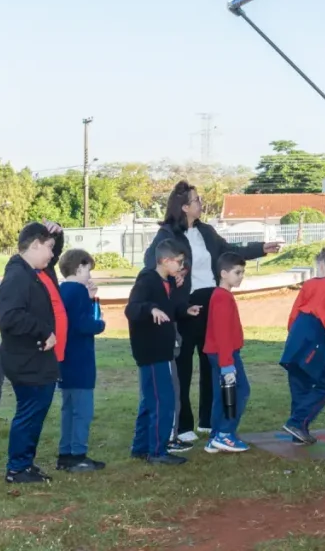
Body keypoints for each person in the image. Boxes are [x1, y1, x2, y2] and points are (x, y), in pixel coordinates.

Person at [143, 181, 281, 444]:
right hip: (184, 306)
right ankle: (184, 425)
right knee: (183, 365)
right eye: (196, 200)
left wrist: (262, 248)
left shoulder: (206, 230)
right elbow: (152, 263)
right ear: (184, 207)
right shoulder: (167, 235)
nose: (200, 203)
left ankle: (209, 421)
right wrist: (174, 279)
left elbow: (230, 251)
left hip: (211, 301)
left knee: (211, 363)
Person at [0, 221, 65, 484]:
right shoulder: (17, 276)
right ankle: (17, 468)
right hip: (26, 359)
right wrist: (43, 331)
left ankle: (25, 462)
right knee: (29, 412)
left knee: (36, 412)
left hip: (35, 357)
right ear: (35, 245)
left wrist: (58, 235)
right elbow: (10, 317)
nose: (51, 255)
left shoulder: (30, 272)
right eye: (48, 248)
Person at [126, 239, 201, 465]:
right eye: (178, 261)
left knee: (150, 400)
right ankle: (157, 451)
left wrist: (185, 309)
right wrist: (151, 308)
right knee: (163, 401)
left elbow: (169, 309)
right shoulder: (148, 279)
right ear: (165, 260)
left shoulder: (166, 282)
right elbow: (132, 308)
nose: (181, 265)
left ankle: (140, 447)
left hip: (156, 350)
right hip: (154, 350)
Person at [280, 245, 325, 444]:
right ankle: (296, 422)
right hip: (313, 332)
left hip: (297, 332)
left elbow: (295, 311)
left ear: (318, 264)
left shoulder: (309, 284)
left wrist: (293, 336)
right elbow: (321, 309)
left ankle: (298, 432)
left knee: (300, 385)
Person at [56, 249, 106, 473]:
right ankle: (78, 454)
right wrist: (100, 322)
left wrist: (91, 298)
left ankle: (65, 453)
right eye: (87, 269)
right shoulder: (77, 291)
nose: (89, 274)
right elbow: (87, 324)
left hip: (64, 360)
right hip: (81, 360)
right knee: (83, 410)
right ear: (78, 268)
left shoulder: (62, 290)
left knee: (68, 409)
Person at [203, 253, 252, 454]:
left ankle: (215, 436)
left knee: (220, 394)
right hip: (225, 355)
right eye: (237, 272)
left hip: (218, 354)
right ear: (223, 273)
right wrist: (227, 364)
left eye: (243, 272)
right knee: (240, 391)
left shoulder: (221, 295)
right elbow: (222, 333)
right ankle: (225, 434)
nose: (241, 276)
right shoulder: (222, 297)